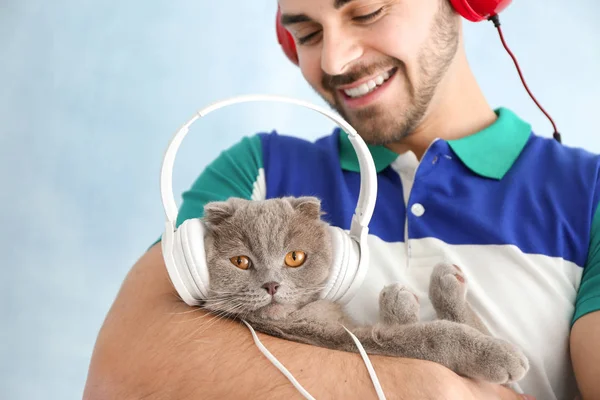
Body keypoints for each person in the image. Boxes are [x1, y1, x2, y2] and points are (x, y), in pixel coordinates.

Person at [83, 0, 600, 399]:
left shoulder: (590, 191)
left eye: (368, 11)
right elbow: (121, 374)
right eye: (307, 33)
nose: (334, 59)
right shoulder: (257, 171)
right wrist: (420, 386)